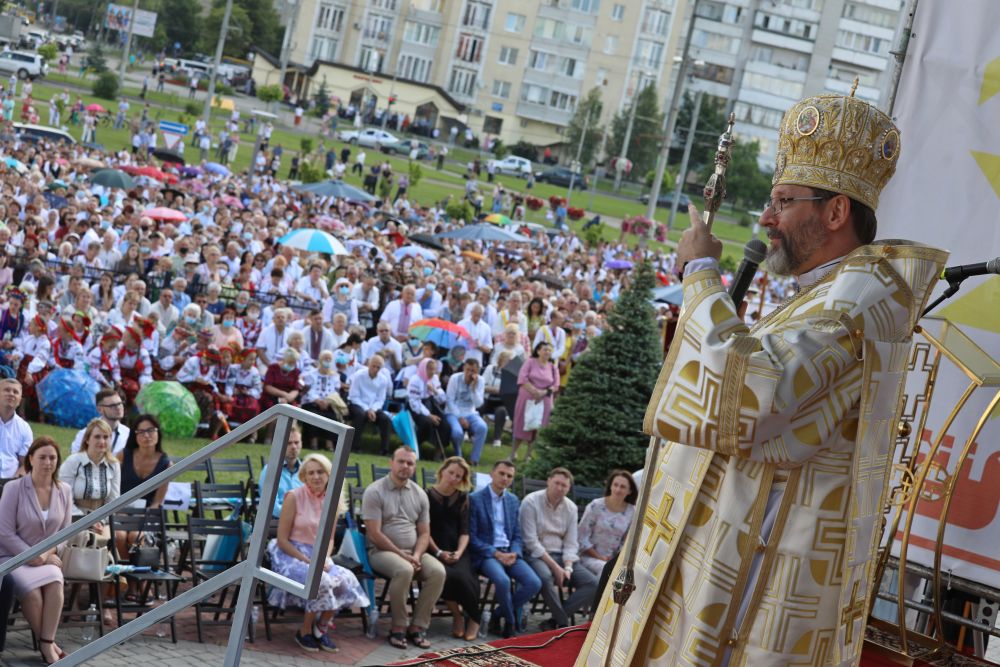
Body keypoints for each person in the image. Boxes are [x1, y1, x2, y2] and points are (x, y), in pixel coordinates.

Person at [580, 94, 947, 665]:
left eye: (782, 201)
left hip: (772, 555)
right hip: (746, 536)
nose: (766, 219)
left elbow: (757, 396)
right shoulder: (830, 292)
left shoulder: (862, 296)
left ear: (835, 212)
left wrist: (700, 274)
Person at [266, 453, 369, 652]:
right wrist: (307, 559)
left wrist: (324, 558)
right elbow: (282, 540)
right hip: (290, 553)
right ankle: (304, 631)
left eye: (320, 472)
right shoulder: (294, 497)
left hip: (319, 554)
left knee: (345, 578)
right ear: (304, 476)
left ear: (329, 474)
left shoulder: (332, 500)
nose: (315, 477)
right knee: (320, 580)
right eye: (310, 473)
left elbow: (329, 539)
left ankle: (320, 629)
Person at [362, 447, 446, 650]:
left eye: (410, 463)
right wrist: (404, 556)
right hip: (381, 553)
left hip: (413, 552)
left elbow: (425, 533)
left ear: (414, 467)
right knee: (404, 569)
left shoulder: (419, 494)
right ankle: (398, 626)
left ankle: (417, 626)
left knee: (438, 571)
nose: (405, 466)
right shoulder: (375, 491)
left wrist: (416, 555)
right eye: (401, 461)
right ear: (391, 463)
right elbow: (374, 533)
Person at [0, 437, 72, 664]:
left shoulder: (64, 490)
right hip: (13, 557)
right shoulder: (14, 488)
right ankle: (48, 646)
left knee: (55, 582)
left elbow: (66, 532)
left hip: (48, 559)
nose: (48, 462)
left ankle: (46, 643)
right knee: (32, 594)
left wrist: (48, 554)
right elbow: (4, 532)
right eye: (42, 457)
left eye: (52, 457)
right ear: (31, 459)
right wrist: (33, 556)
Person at [469, 459, 541, 638]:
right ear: (492, 474)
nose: (505, 478)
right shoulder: (475, 499)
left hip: (510, 552)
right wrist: (495, 553)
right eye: (501, 473)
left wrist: (514, 553)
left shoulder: (513, 500)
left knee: (534, 583)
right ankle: (510, 622)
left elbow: (517, 534)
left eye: (509, 476)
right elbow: (473, 538)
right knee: (503, 581)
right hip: (487, 554)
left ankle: (496, 615)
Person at [520, 467, 597, 630]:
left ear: (569, 488)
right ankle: (562, 623)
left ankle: (554, 620)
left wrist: (568, 567)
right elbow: (530, 541)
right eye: (557, 483)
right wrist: (556, 568)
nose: (560, 488)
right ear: (548, 481)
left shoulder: (571, 508)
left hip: (563, 556)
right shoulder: (531, 501)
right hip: (537, 555)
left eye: (564, 486)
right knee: (546, 577)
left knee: (592, 583)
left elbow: (571, 543)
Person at [427, 457, 481, 641]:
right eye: (451, 473)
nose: (453, 478)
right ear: (442, 471)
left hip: (458, 548)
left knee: (467, 577)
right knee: (448, 575)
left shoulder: (463, 498)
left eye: (458, 476)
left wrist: (458, 552)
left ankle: (474, 618)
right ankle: (457, 616)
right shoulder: (427, 495)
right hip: (433, 547)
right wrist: (438, 552)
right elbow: (423, 530)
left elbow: (465, 531)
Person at [59, 418, 121, 545]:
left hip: (102, 519)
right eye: (97, 437)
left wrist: (100, 521)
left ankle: (108, 564)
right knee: (88, 539)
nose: (102, 441)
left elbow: (113, 500)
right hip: (74, 517)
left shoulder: (114, 464)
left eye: (106, 437)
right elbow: (64, 499)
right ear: (87, 439)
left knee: (109, 540)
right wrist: (87, 521)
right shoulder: (73, 462)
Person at [576, 470, 636, 578]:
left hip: (615, 560)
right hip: (589, 557)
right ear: (610, 486)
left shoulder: (632, 512)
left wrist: (616, 560)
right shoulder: (596, 506)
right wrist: (600, 557)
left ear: (630, 491)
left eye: (622, 487)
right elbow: (581, 537)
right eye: (615, 485)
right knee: (605, 569)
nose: (618, 489)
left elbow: (627, 542)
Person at [510, 342, 559, 461]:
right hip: (527, 397)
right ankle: (513, 453)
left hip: (545, 399)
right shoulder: (530, 362)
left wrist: (543, 392)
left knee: (539, 427)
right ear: (538, 351)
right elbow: (522, 378)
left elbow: (556, 385)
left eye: (549, 350)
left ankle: (528, 455)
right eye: (545, 350)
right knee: (521, 424)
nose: (547, 352)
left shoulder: (552, 366)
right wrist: (534, 391)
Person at [347, 355, 393, 455]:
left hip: (374, 408)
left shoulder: (383, 379)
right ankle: (355, 447)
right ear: (369, 364)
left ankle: (384, 450)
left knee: (386, 420)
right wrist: (367, 410)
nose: (375, 369)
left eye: (378, 367)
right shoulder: (358, 375)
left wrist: (373, 409)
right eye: (373, 366)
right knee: (360, 416)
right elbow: (354, 396)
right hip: (357, 404)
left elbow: (380, 399)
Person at [444, 359, 487, 465]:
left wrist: (473, 389)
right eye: (468, 370)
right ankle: (459, 456)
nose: (470, 373)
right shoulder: (455, 378)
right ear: (464, 368)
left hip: (471, 412)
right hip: (453, 412)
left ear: (477, 371)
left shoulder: (480, 381)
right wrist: (459, 417)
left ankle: (474, 459)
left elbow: (478, 404)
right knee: (457, 432)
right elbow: (449, 400)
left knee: (483, 427)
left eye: (473, 371)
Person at [299, 349, 344, 450]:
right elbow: (307, 391)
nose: (327, 361)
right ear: (320, 360)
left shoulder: (335, 376)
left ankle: (329, 443)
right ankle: (313, 442)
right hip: (312, 402)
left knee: (331, 416)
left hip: (329, 403)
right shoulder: (311, 374)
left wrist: (327, 401)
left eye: (329, 359)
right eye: (325, 359)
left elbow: (335, 392)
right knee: (313, 414)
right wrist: (317, 400)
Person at [258, 424, 304, 518]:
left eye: (296, 442)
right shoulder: (270, 470)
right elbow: (272, 508)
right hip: (277, 524)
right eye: (289, 443)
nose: (294, 447)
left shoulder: (307, 471)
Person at [406, 358, 449, 454]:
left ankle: (438, 451)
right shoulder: (415, 379)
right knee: (427, 423)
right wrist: (429, 415)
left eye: (434, 369)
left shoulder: (434, 379)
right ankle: (414, 447)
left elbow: (442, 399)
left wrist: (434, 390)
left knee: (445, 423)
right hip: (416, 407)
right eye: (429, 369)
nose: (432, 372)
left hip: (430, 403)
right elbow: (414, 402)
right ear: (423, 368)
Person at [70, 388, 130, 455]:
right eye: (112, 405)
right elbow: (75, 460)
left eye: (120, 403)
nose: (118, 408)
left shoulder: (128, 434)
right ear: (99, 409)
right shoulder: (85, 434)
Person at [0, 378, 31, 477]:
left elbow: (25, 464)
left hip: (9, 483)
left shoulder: (24, 428)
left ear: (19, 401)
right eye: (7, 390)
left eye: (15, 392)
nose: (11, 394)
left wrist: (12, 484)